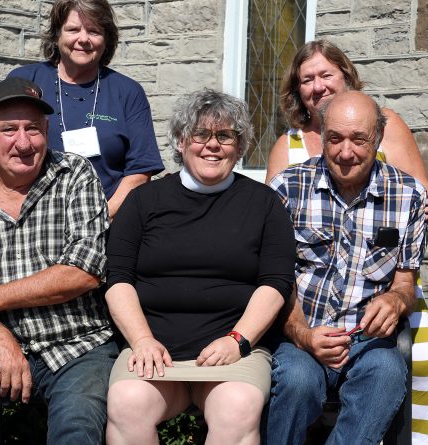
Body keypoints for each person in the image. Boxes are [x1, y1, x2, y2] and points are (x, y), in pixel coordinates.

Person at [266, 40, 428, 445]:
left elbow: (405, 281)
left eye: (359, 140)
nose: (345, 152)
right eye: (334, 139)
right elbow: (275, 275)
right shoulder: (287, 187)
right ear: (322, 136)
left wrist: (396, 301)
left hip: (368, 340)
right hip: (304, 331)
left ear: (378, 138)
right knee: (296, 381)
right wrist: (302, 333)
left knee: (386, 374)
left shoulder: (409, 197)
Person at [0, 77, 118, 445]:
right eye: (9, 129)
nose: (23, 142)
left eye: (33, 128)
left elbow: (84, 272)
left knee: (76, 429)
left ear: (47, 130)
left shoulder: (74, 175)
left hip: (76, 344)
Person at [104, 90, 295, 444]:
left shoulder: (265, 204)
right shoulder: (144, 201)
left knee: (238, 406)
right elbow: (118, 279)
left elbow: (275, 283)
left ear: (239, 147)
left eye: (225, 136)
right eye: (200, 134)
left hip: (233, 354)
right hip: (154, 351)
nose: (213, 145)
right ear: (181, 141)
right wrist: (142, 340)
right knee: (126, 403)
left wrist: (237, 340)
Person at [0, 0, 164, 219]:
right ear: (57, 35)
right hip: (31, 223)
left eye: (94, 31)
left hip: (107, 224)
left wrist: (99, 219)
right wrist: (20, 211)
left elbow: (140, 171)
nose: (83, 39)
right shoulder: (25, 80)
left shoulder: (128, 92)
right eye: (73, 29)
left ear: (106, 39)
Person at [264, 40, 428, 223]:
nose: (318, 87)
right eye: (307, 80)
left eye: (326, 75)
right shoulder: (288, 145)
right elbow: (270, 215)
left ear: (346, 76)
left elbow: (421, 193)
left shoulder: (385, 124)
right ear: (297, 90)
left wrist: (423, 207)